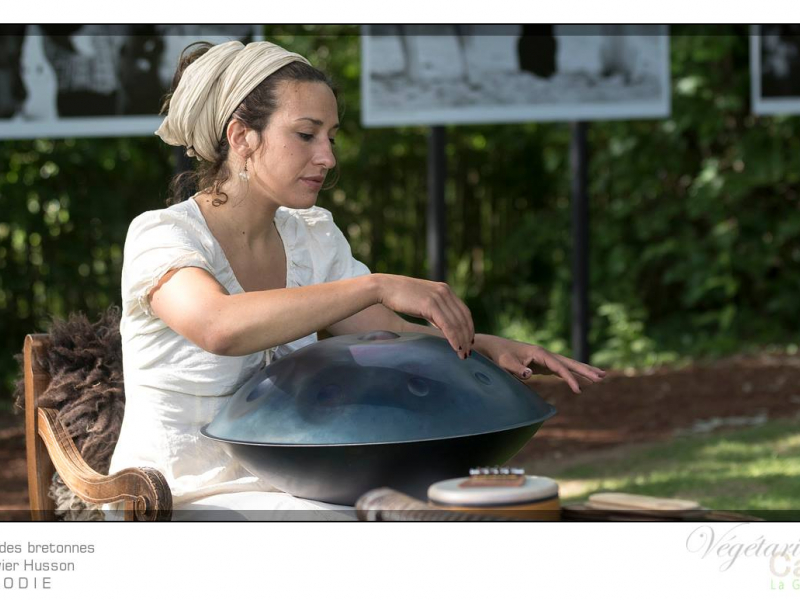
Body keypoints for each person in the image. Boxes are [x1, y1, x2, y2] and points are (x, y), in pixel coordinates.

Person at [104, 40, 606, 521]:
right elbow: (218, 326)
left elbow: (392, 335)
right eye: (306, 135)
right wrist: (376, 284)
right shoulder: (163, 235)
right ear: (241, 137)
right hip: (177, 499)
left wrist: (491, 349)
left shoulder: (312, 236)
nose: (328, 157)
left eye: (331, 137)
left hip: (302, 488)